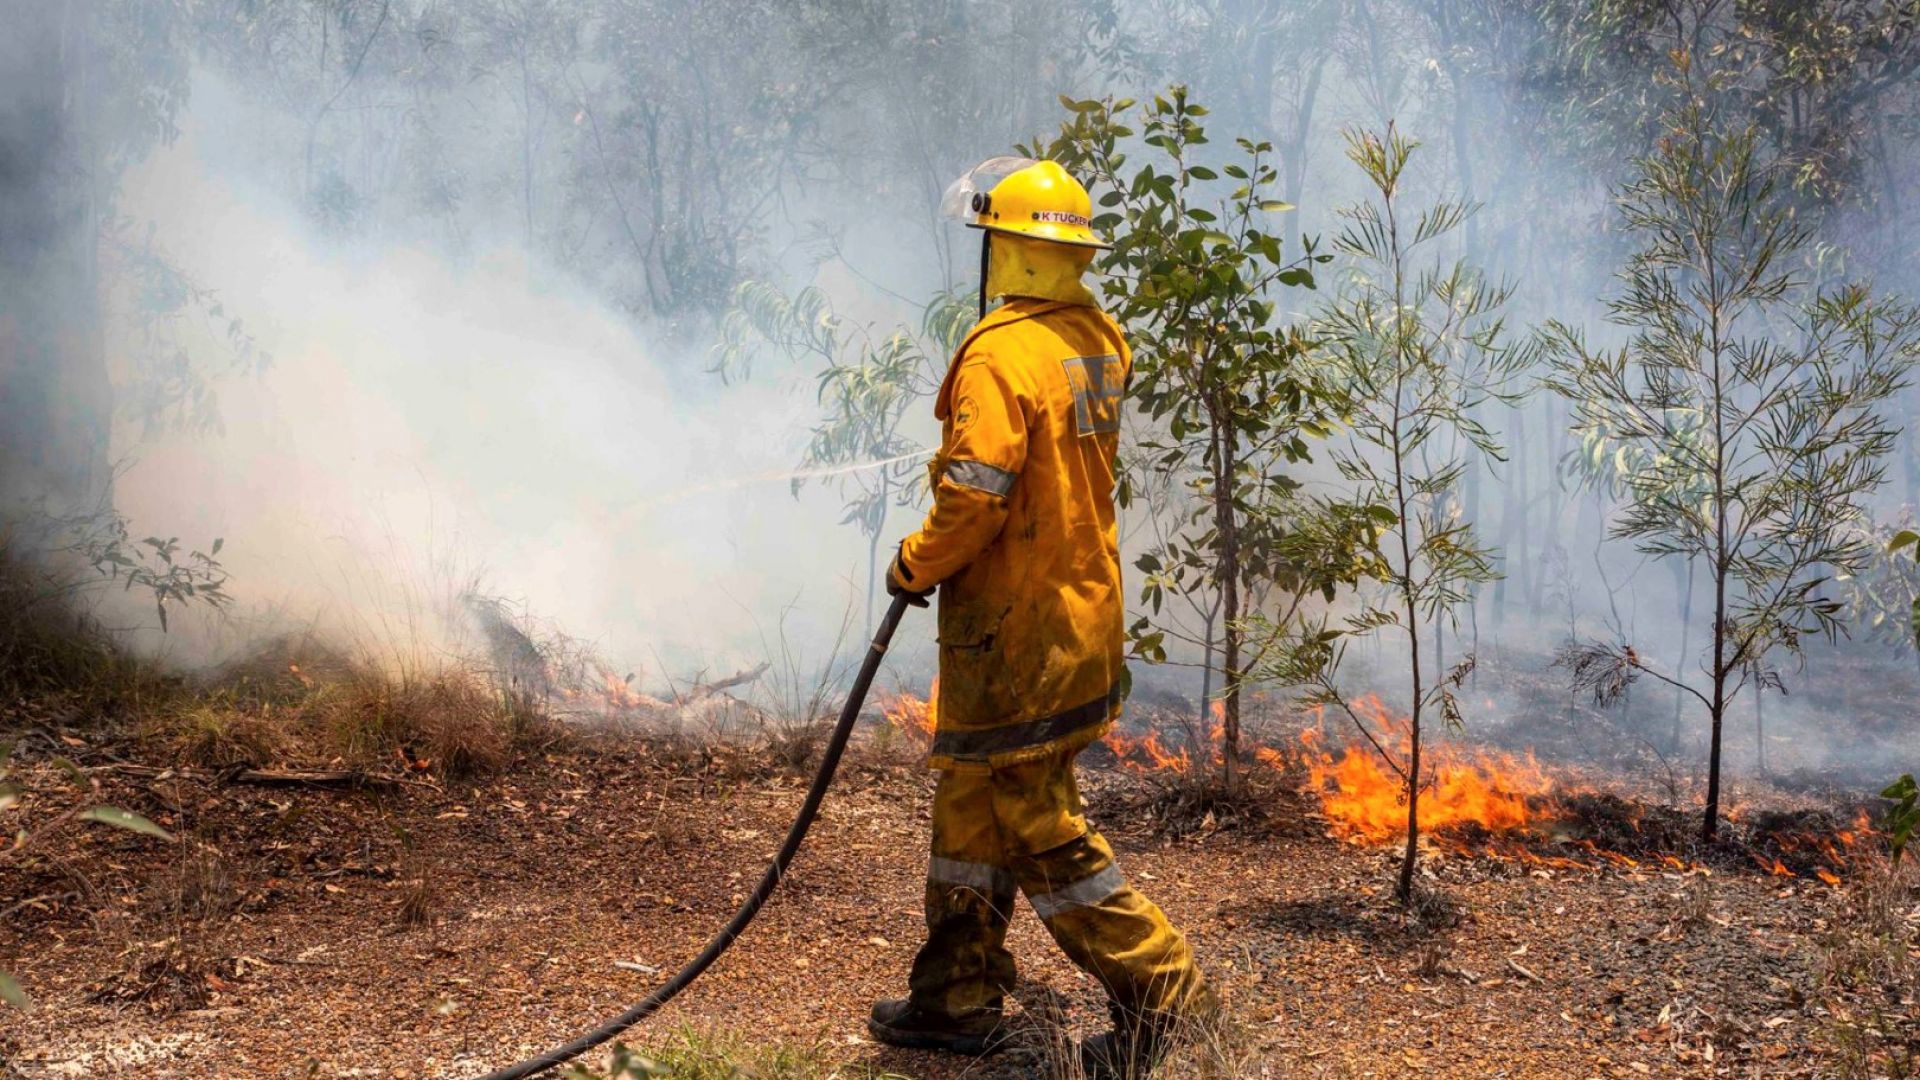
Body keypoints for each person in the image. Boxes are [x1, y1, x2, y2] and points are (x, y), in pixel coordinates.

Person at [866, 158, 1214, 1078]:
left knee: (1035, 820)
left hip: (1017, 635)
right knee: (971, 804)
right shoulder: (1095, 333)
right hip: (1079, 616)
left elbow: (974, 497)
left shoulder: (998, 354)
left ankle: (1170, 997)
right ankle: (956, 996)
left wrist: (914, 563)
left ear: (1008, 251)